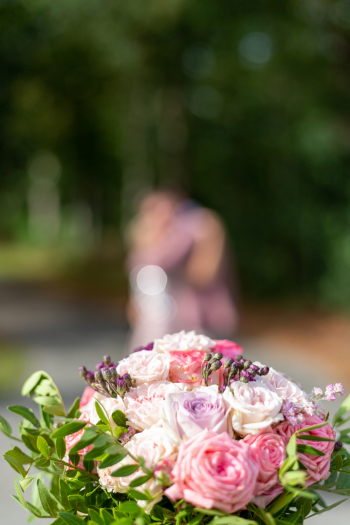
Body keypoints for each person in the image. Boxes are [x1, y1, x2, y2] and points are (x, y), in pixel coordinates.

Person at [125, 190, 239, 351]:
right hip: (153, 319)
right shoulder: (147, 238)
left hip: (192, 316)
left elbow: (204, 274)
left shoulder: (192, 232)